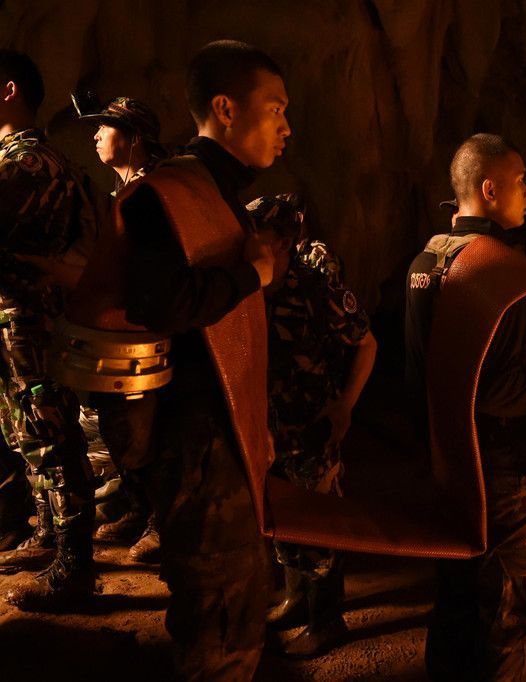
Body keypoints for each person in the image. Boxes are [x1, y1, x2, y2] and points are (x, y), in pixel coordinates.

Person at [116, 40, 288, 679]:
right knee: (218, 608)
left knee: (239, 593)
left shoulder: (216, 192)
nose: (287, 127)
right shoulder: (172, 192)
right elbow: (159, 301)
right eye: (275, 109)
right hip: (195, 443)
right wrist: (252, 275)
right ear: (225, 108)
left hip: (222, 434)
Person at [406, 133, 526, 681]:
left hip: (449, 460)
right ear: (489, 190)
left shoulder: (428, 260)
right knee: (511, 610)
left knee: (455, 597)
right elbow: (497, 388)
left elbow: (419, 373)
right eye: (520, 181)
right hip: (502, 469)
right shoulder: (499, 269)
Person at [249, 194, 376, 658]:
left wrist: (345, 406)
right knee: (283, 520)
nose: (246, 243)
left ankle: (327, 620)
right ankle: (296, 600)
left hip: (313, 428)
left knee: (320, 527)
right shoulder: (248, 288)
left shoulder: (316, 288)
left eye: (257, 236)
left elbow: (367, 344)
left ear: (283, 243)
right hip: (269, 429)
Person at [0, 49, 100, 610]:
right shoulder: (24, 159)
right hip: (19, 319)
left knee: (49, 435)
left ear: (9, 90)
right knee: (26, 431)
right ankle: (48, 534)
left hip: (30, 322)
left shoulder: (28, 164)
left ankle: (74, 566)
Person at [77, 95, 166, 562]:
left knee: (151, 430)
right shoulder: (126, 191)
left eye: (105, 128)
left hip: (151, 334)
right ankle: (137, 506)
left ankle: (162, 521)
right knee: (122, 428)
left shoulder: (154, 194)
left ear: (133, 138)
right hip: (123, 332)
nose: (95, 136)